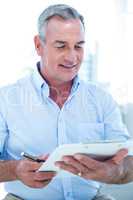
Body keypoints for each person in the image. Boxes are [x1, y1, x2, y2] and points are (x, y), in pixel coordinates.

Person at [0, 4, 130, 200]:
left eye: (78, 46)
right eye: (61, 45)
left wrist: (112, 172)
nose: (72, 57)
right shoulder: (6, 99)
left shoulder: (102, 99)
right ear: (38, 45)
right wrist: (15, 169)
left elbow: (127, 162)